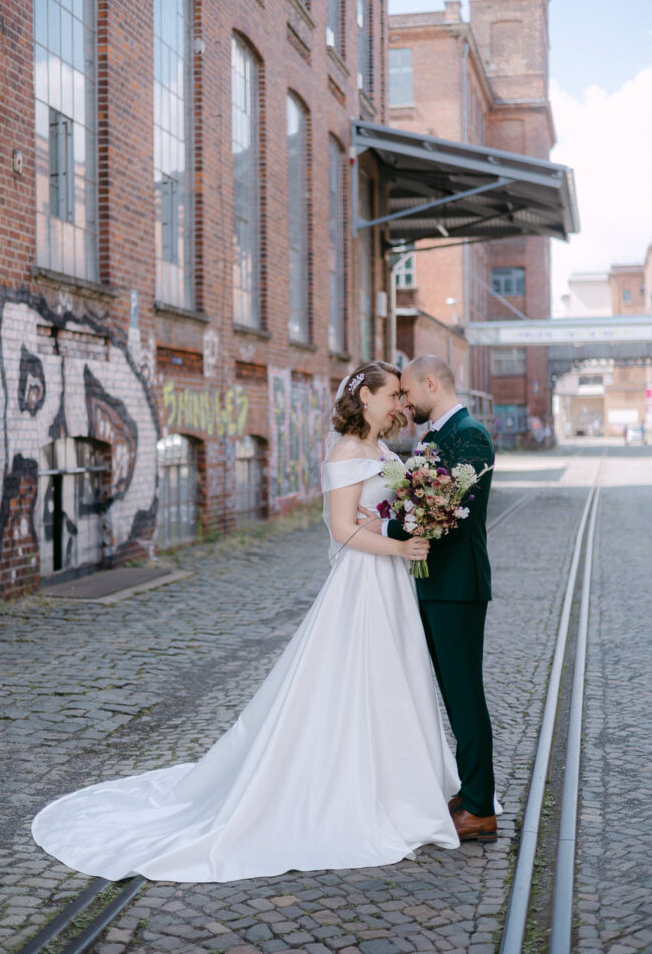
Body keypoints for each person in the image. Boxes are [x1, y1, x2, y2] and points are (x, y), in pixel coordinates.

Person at [31, 360, 461, 884]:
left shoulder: (380, 451)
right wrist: (397, 543)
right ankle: (350, 787)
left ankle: (404, 784)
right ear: (365, 397)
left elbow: (377, 510)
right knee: (357, 678)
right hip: (364, 582)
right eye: (392, 393)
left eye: (401, 394)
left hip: (389, 581)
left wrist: (396, 521)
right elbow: (342, 528)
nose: (399, 403)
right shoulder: (347, 451)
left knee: (396, 678)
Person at [361, 355, 497, 842]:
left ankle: (480, 808)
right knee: (450, 694)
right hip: (432, 584)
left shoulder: (471, 436)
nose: (406, 402)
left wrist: (384, 527)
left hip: (458, 588)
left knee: (465, 695)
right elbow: (424, 500)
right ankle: (470, 789)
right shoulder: (434, 438)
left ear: (432, 383)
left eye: (408, 393)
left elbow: (450, 518)